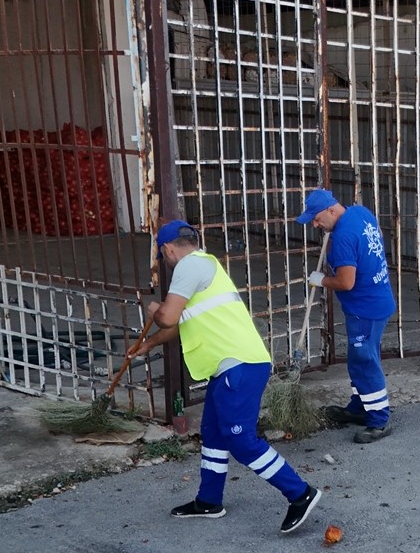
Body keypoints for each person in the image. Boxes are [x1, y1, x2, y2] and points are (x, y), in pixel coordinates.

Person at [130, 220, 322, 534]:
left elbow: (166, 316)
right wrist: (148, 344)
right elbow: (180, 323)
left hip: (240, 366)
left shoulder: (189, 267)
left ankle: (300, 493)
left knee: (240, 439)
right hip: (229, 367)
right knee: (214, 432)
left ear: (166, 249)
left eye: (161, 255)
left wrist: (153, 309)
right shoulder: (204, 267)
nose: (163, 261)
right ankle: (208, 500)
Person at [295, 189, 397, 443]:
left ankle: (379, 420)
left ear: (331, 210)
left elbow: (346, 282)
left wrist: (321, 280)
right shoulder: (360, 212)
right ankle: (359, 406)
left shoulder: (341, 237)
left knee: (364, 360)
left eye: (317, 219)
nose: (316, 225)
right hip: (377, 297)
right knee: (358, 358)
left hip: (365, 308)